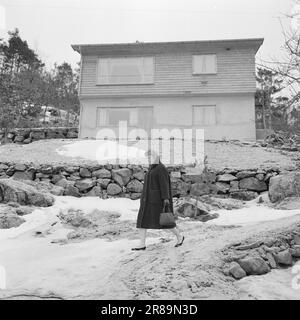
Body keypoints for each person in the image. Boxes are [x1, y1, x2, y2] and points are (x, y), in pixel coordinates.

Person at [132, 149, 184, 250]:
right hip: (147, 200)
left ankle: (179, 237)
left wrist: (165, 198)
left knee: (166, 222)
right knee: (142, 222)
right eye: (147, 157)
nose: (149, 159)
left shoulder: (160, 168)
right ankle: (142, 244)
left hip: (157, 201)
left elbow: (164, 184)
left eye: (150, 157)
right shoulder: (152, 168)